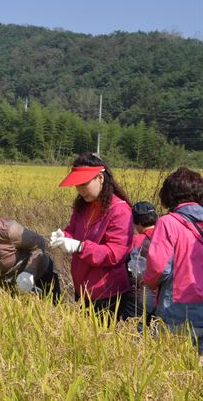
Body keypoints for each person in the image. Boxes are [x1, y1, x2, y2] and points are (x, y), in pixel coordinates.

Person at [50, 152, 134, 319]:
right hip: (82, 287)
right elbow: (73, 231)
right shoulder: (83, 206)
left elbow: (114, 253)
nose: (80, 190)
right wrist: (63, 236)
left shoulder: (119, 210)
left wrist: (80, 247)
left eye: (84, 184)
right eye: (77, 185)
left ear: (100, 178)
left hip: (107, 291)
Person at [143, 167, 203, 354]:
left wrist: (146, 281)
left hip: (177, 309)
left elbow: (159, 268)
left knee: (171, 369)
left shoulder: (169, 222)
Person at [126, 201, 158, 320]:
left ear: (137, 222)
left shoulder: (136, 240)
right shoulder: (166, 235)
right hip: (165, 296)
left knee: (135, 330)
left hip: (141, 295)